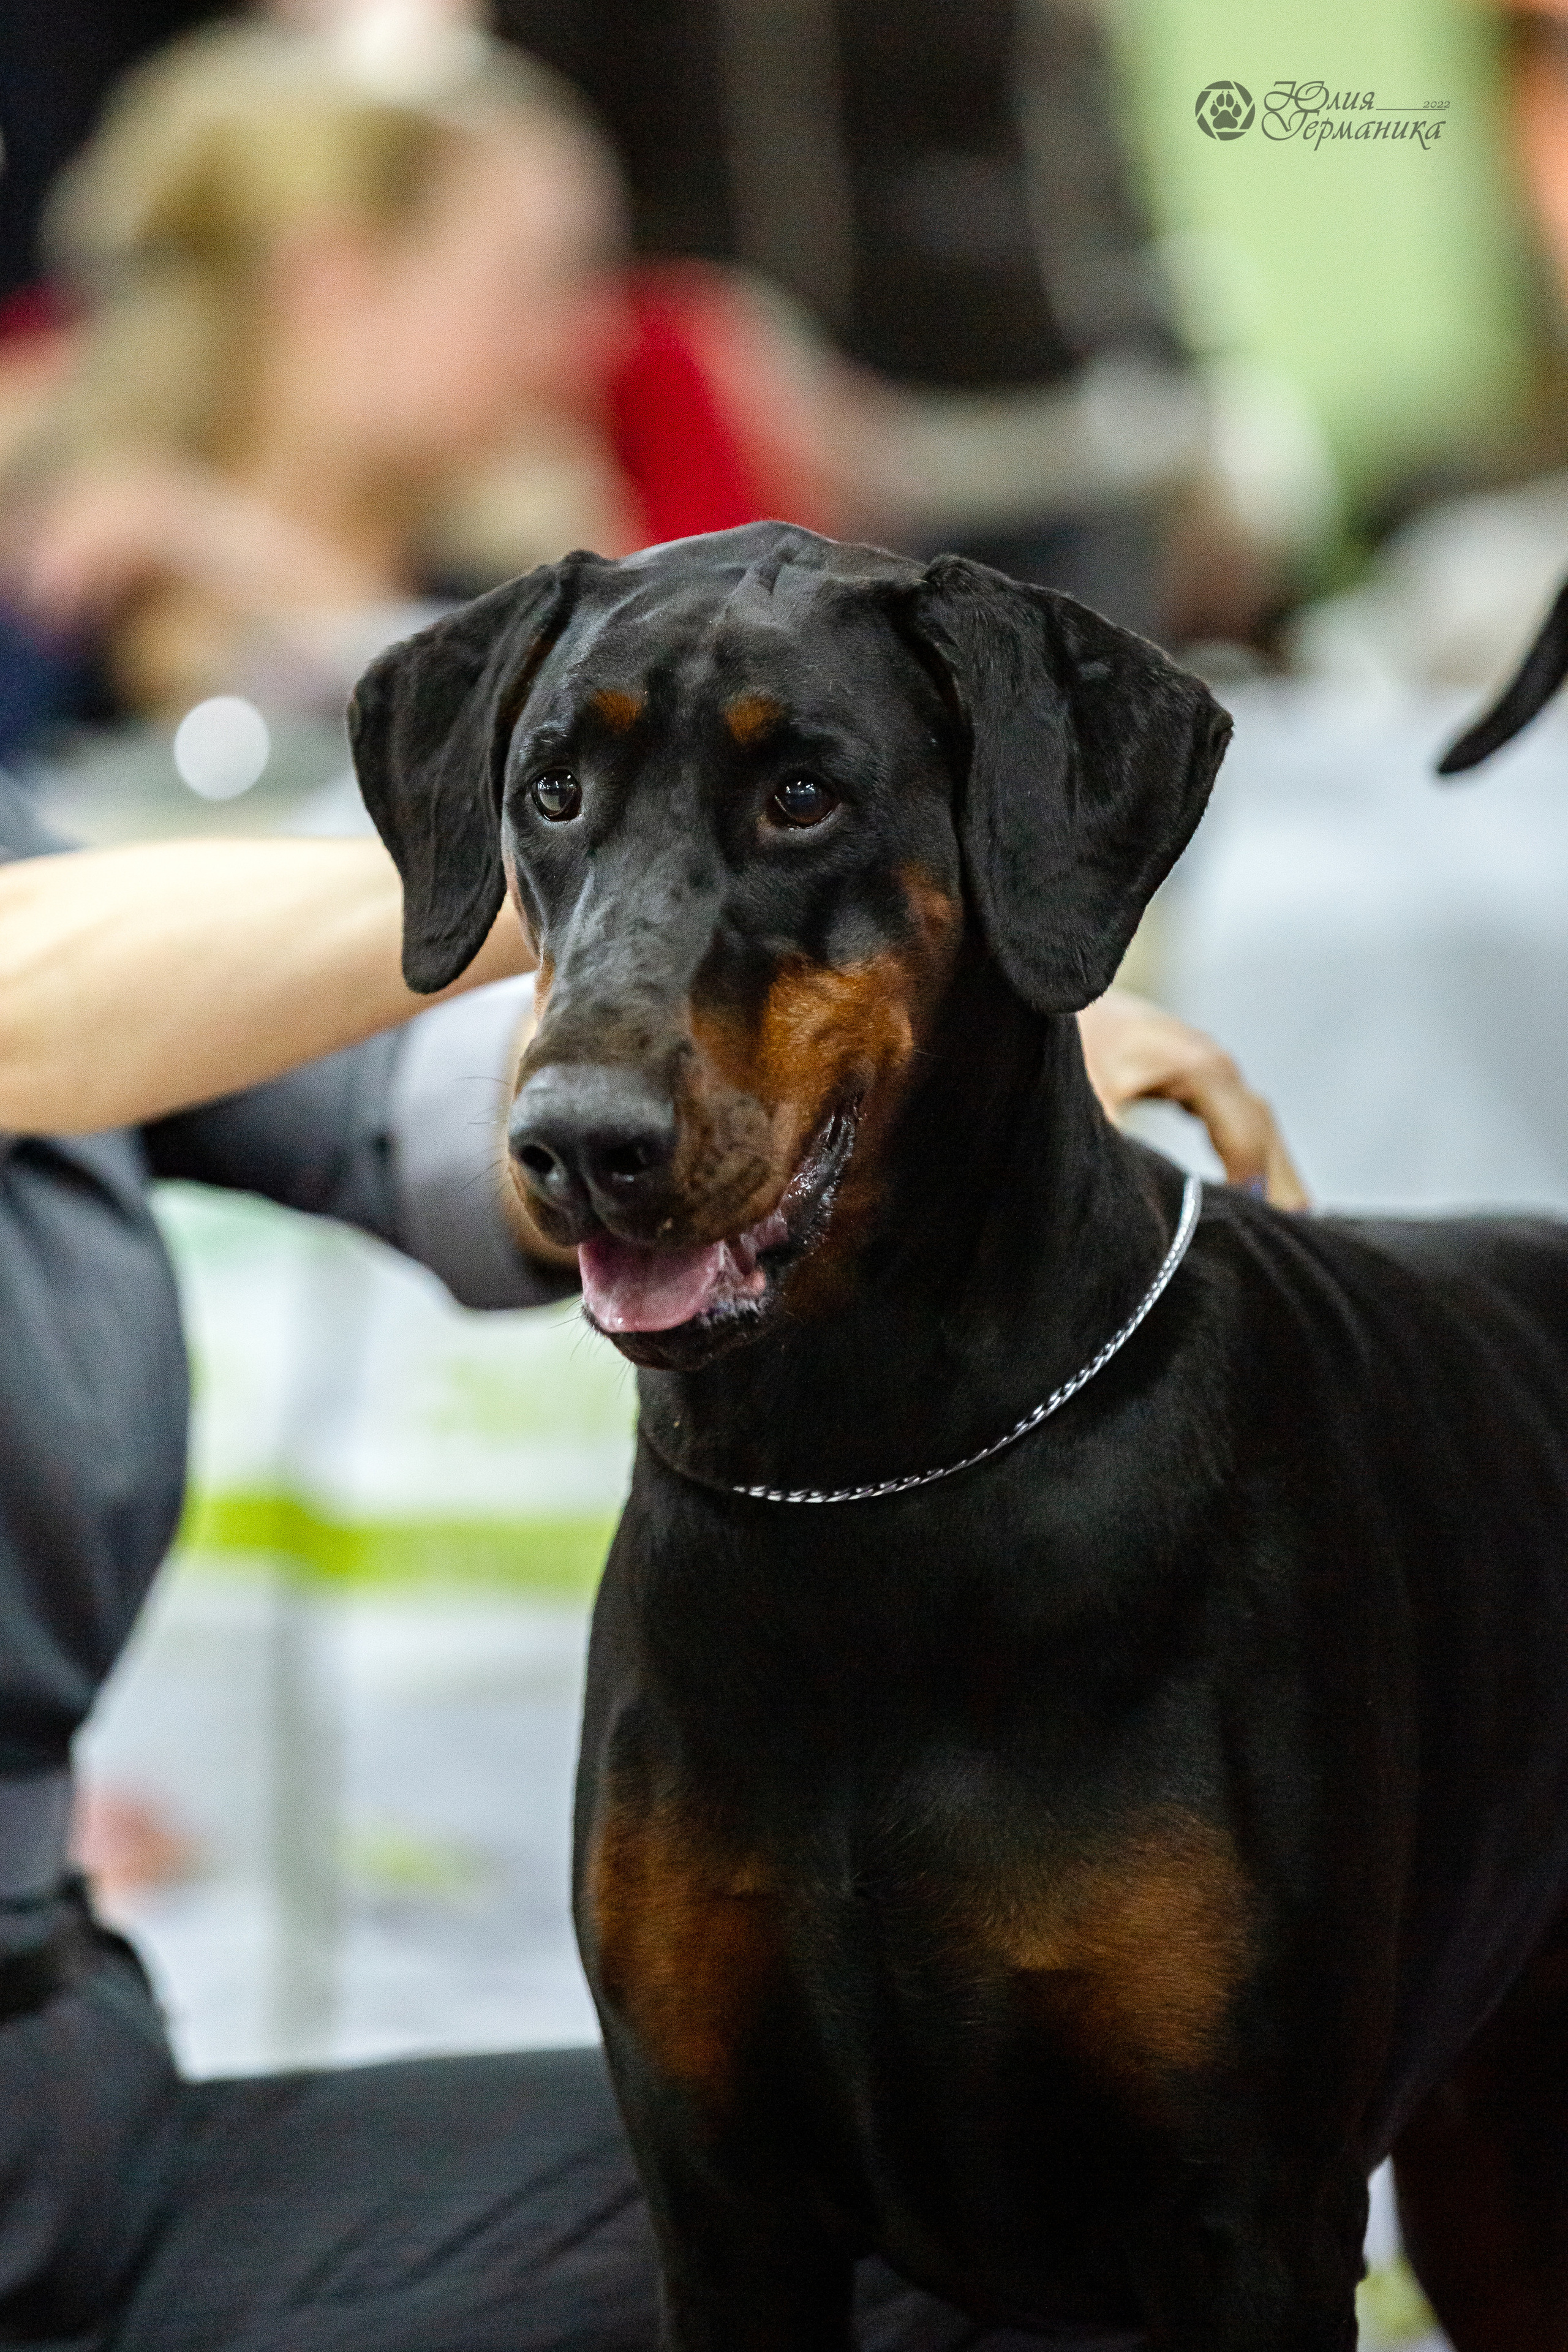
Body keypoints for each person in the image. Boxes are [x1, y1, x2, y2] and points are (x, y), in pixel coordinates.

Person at [0, 767, 1302, 2345]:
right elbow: (31, 992)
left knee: (1032, 2220)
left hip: (77, 2117)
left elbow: (424, 1126)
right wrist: (638, 826)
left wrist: (910, 1082)